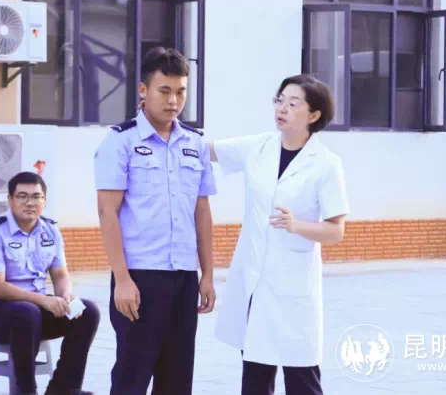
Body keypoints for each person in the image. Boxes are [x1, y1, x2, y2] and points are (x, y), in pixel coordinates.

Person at [209, 74, 349, 395]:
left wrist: (296, 225)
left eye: (293, 103)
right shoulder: (258, 147)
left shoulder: (326, 164)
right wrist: (166, 124)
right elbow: (208, 151)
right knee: (255, 378)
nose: (282, 108)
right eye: (279, 100)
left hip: (293, 289)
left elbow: (336, 230)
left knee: (302, 380)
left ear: (313, 115)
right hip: (255, 285)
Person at [94, 46, 218, 395]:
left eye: (180, 91)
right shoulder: (120, 141)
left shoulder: (194, 143)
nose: (173, 101)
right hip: (140, 277)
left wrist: (207, 275)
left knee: (177, 380)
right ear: (143, 90)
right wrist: (122, 280)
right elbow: (107, 212)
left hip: (183, 276)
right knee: (132, 378)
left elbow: (202, 212)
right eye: (164, 91)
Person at [0, 171, 100, 395]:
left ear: (44, 201)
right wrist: (43, 300)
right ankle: (26, 391)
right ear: (10, 200)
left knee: (88, 311)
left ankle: (64, 388)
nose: (29, 202)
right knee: (27, 312)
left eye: (36, 196)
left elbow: (60, 275)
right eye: (22, 196)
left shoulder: (50, 230)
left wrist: (66, 295)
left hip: (35, 310)